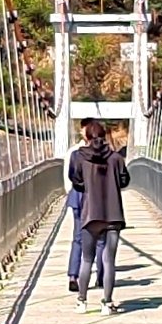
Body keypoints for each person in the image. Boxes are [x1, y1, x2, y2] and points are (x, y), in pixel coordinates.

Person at [67, 118, 130, 313]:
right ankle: (107, 303)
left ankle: (82, 302)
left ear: (86, 136)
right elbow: (125, 180)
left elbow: (75, 180)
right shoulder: (116, 158)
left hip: (90, 214)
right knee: (109, 260)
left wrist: (87, 186)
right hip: (113, 214)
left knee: (87, 259)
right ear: (104, 136)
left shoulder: (78, 157)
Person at [64, 145, 85, 290]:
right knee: (100, 240)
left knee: (78, 238)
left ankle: (73, 275)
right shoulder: (106, 154)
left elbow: (70, 175)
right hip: (96, 202)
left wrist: (69, 192)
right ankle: (102, 276)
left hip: (77, 197)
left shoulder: (74, 153)